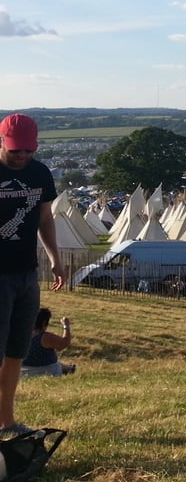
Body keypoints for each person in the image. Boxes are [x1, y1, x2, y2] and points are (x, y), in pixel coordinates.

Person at [0, 113, 64, 438]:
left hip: (26, 274)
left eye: (27, 150)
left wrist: (55, 257)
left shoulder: (40, 174)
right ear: (2, 142)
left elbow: (45, 218)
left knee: (15, 352)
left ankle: (7, 423)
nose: (21, 156)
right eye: (15, 151)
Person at [20, 308, 76, 377]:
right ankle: (70, 369)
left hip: (24, 372)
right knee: (56, 364)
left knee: (59, 364)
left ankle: (69, 368)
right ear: (44, 323)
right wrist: (66, 326)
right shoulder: (45, 337)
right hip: (48, 371)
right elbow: (64, 343)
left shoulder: (20, 335)